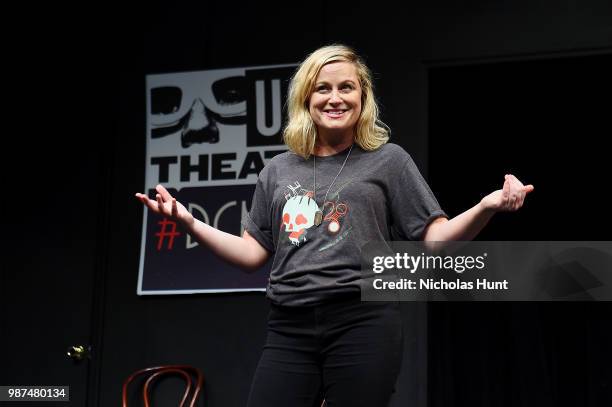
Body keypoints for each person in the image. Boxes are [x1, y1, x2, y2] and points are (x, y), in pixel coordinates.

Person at [135, 44, 534, 407]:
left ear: (363, 97)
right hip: (289, 325)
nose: (335, 98)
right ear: (306, 97)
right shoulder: (277, 169)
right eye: (323, 88)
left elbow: (435, 240)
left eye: (347, 88)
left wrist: (486, 206)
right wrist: (189, 223)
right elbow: (252, 253)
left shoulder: (389, 160)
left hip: (362, 322)